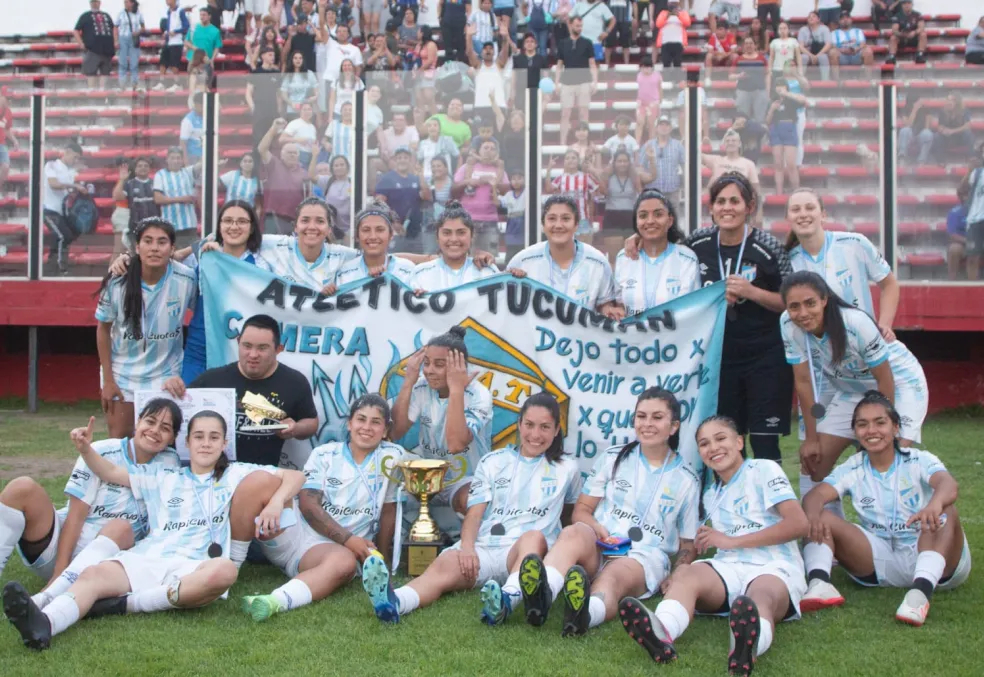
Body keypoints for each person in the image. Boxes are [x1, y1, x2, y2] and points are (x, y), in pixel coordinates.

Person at [2, 411, 304, 650]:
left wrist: (275, 502)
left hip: (196, 563)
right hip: (151, 555)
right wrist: (86, 449)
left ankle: (125, 604)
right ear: (187, 442)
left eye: (214, 437)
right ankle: (44, 625)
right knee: (92, 576)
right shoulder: (162, 475)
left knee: (224, 573)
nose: (206, 443)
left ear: (225, 444)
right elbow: (110, 471)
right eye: (198, 436)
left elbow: (295, 476)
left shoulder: (237, 472)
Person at [361, 392, 582, 625]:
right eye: (529, 425)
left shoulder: (567, 467)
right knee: (445, 565)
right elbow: (475, 513)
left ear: (557, 430)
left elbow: (569, 514)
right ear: (519, 425)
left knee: (534, 538)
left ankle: (506, 600)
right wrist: (467, 548)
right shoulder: (493, 461)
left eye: (545, 427)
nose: (535, 434)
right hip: (487, 546)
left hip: (526, 553)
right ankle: (395, 602)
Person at [617, 415, 809, 675]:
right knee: (688, 575)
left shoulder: (763, 469)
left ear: (739, 441)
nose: (713, 448)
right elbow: (697, 541)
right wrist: (680, 568)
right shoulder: (710, 494)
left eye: (721, 439)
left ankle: (746, 647)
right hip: (730, 566)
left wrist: (731, 541)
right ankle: (661, 632)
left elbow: (799, 524)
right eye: (704, 444)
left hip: (774, 564)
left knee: (760, 595)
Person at [522, 389, 698, 635]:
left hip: (642, 557)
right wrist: (596, 528)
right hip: (600, 543)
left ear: (674, 426)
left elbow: (688, 543)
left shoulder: (687, 479)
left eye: (657, 417)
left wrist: (678, 573)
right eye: (641, 416)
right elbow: (582, 510)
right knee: (573, 533)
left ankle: (584, 615)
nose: (647, 424)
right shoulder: (613, 457)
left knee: (612, 577)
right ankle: (543, 595)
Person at [800, 392, 971, 627]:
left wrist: (934, 504)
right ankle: (819, 584)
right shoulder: (853, 467)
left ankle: (919, 595)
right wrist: (811, 516)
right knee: (817, 512)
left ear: (896, 428)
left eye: (880, 422)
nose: (872, 431)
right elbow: (815, 496)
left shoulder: (918, 459)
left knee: (945, 511)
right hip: (879, 560)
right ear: (855, 433)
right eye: (863, 424)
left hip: (935, 558)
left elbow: (948, 484)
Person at [244, 394, 408, 621]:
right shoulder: (324, 454)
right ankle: (230, 565)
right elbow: (309, 505)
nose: (367, 428)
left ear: (386, 429)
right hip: (294, 535)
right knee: (263, 482)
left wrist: (384, 564)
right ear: (349, 423)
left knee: (344, 563)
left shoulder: (394, 457)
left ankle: (272, 601)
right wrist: (351, 539)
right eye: (361, 419)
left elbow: (389, 509)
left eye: (376, 422)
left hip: (331, 553)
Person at [0, 399, 181, 603]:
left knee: (120, 526)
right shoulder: (101, 449)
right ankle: (57, 583)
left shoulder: (170, 463)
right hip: (60, 548)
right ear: (137, 422)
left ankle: (56, 594)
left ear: (173, 437)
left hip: (107, 561)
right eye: (150, 421)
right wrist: (59, 571)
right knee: (22, 487)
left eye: (165, 428)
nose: (155, 430)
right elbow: (76, 515)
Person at [780, 272, 929, 499]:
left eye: (810, 303)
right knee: (814, 463)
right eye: (794, 306)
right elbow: (802, 382)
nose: (802, 313)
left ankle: (914, 524)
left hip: (897, 384)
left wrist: (879, 427)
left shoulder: (854, 322)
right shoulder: (787, 324)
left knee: (886, 457)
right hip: (851, 388)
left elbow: (885, 379)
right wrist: (811, 439)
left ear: (824, 299)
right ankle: (820, 531)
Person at [685, 173, 793, 464]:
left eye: (735, 201)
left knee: (765, 443)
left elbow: (792, 303)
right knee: (727, 441)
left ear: (750, 206)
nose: (727, 207)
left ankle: (773, 507)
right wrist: (635, 239)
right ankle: (733, 506)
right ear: (712, 208)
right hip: (718, 361)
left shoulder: (769, 248)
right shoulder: (696, 243)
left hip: (765, 359)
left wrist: (752, 292)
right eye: (720, 201)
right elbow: (668, 251)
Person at [95, 218, 196, 439]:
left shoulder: (186, 278)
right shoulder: (117, 280)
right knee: (121, 440)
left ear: (172, 248)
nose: (154, 248)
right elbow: (103, 330)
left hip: (166, 374)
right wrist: (109, 381)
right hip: (123, 375)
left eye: (162, 242)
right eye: (148, 241)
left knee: (163, 440)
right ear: (137, 247)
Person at [184, 315, 318, 467]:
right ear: (238, 343)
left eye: (262, 348)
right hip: (213, 473)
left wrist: (296, 428)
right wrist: (173, 389)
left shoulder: (295, 382)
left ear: (278, 349)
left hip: (262, 478)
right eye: (247, 346)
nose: (253, 354)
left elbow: (311, 422)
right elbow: (180, 411)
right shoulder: (210, 380)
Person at [391, 326, 494, 516]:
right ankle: (387, 544)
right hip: (426, 474)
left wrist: (456, 390)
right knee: (389, 462)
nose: (429, 371)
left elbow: (456, 444)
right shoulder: (422, 386)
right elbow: (395, 432)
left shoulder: (479, 394)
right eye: (427, 363)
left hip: (465, 479)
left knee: (471, 498)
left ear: (459, 367)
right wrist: (409, 380)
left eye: (439, 364)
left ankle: (468, 545)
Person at [785, 188, 899, 333]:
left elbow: (889, 284)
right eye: (796, 210)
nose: (803, 214)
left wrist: (885, 325)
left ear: (823, 215)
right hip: (821, 349)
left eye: (810, 208)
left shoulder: (855, 243)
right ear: (788, 219)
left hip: (865, 345)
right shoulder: (788, 260)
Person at [508, 195, 620, 317]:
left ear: (576, 224)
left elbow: (605, 305)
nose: (558, 225)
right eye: (552, 219)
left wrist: (608, 310)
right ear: (543, 225)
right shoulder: (523, 261)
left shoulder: (598, 263)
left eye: (566, 219)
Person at [615, 190, 700, 316]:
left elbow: (696, 309)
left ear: (670, 221)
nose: (650, 221)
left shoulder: (687, 259)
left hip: (676, 335)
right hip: (633, 335)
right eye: (643, 216)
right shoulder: (624, 257)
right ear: (636, 222)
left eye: (658, 215)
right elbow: (618, 305)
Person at [410, 202, 503, 292]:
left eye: (461, 232)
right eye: (446, 233)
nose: (454, 239)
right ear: (437, 237)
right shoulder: (420, 274)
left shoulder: (489, 273)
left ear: (472, 235)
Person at [329, 203, 416, 290]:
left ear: (391, 234)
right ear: (357, 236)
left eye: (380, 230)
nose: (373, 236)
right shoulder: (345, 272)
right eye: (366, 230)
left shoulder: (407, 269)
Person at [453, 140, 507, 255]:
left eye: (493, 149)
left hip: (490, 221)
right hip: (467, 221)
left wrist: (493, 183)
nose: (489, 151)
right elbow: (454, 189)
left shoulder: (499, 169)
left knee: (489, 259)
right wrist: (470, 181)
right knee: (465, 258)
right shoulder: (467, 167)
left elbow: (505, 191)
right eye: (486, 148)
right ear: (479, 151)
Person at [258, 119, 309, 235]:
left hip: (294, 221)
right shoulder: (274, 164)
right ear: (282, 155)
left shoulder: (304, 174)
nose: (292, 155)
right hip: (273, 217)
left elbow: (307, 198)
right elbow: (262, 149)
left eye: (295, 153)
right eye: (289, 152)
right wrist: (273, 129)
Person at [375, 148, 431, 253]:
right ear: (395, 160)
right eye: (399, 158)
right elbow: (379, 203)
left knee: (416, 263)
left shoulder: (416, 178)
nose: (402, 160)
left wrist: (421, 175)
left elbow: (427, 196)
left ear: (410, 160)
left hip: (415, 231)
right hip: (394, 231)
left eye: (405, 158)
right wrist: (393, 222)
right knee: (393, 261)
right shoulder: (387, 178)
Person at [555, 16, 597, 152]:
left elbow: (592, 63)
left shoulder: (587, 42)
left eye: (581, 26)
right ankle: (562, 143)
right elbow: (559, 65)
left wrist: (595, 81)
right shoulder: (562, 43)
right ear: (571, 25)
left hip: (584, 81)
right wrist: (557, 82)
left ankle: (585, 142)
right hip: (567, 82)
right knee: (565, 113)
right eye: (577, 25)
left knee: (584, 113)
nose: (579, 28)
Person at [43, 142, 85, 275]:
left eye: (78, 158)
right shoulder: (51, 165)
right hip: (49, 209)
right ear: (67, 151)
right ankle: (61, 268)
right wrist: (74, 186)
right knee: (63, 236)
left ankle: (52, 266)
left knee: (66, 236)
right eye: (75, 157)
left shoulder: (70, 172)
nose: (75, 160)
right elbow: (53, 184)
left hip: (61, 211)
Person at [544, 150, 600, 242]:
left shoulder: (586, 177)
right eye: (567, 158)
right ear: (564, 162)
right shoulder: (561, 178)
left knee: (583, 250)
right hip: (565, 219)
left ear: (578, 161)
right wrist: (549, 170)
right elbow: (548, 189)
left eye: (573, 158)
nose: (570, 160)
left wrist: (591, 218)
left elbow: (596, 194)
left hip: (582, 218)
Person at [702, 130, 762, 213]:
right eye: (727, 141)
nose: (730, 143)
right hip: (718, 205)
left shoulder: (748, 164)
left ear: (739, 144)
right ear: (724, 144)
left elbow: (756, 191)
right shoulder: (716, 160)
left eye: (733, 141)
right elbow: (696, 155)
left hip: (738, 206)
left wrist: (757, 212)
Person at [766, 77, 807, 196]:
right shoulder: (772, 101)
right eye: (777, 85)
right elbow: (767, 121)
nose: (779, 87)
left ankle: (796, 191)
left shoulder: (791, 99)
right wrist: (772, 109)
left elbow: (803, 100)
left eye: (782, 85)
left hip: (789, 128)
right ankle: (779, 191)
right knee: (778, 164)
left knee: (790, 164)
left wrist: (787, 93)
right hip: (775, 130)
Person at [152, 147, 199, 247]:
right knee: (175, 256)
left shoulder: (188, 172)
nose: (176, 161)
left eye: (178, 158)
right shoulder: (160, 175)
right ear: (167, 160)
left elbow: (202, 165)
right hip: (170, 225)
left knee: (192, 257)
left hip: (190, 225)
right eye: (173, 158)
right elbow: (158, 199)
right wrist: (182, 199)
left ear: (182, 160)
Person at [111, 157, 159, 255]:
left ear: (150, 169)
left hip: (153, 226)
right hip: (135, 226)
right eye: (140, 166)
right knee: (136, 255)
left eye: (146, 166)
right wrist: (121, 180)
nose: (143, 168)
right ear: (135, 169)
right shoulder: (129, 184)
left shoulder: (156, 183)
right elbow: (117, 197)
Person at [598, 149, 643, 253]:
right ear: (614, 163)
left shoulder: (634, 177)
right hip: (612, 216)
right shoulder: (609, 177)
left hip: (630, 216)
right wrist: (604, 175)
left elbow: (641, 193)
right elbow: (603, 192)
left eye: (625, 161)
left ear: (629, 163)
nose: (622, 164)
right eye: (619, 161)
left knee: (632, 255)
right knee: (614, 256)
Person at [637, 116, 685, 209]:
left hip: (672, 191)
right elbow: (640, 167)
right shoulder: (648, 145)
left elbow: (685, 166)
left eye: (667, 125)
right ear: (656, 128)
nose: (664, 127)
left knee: (673, 220)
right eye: (661, 124)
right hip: (652, 192)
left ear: (671, 128)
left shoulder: (678, 145)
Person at [75, 0, 117, 90]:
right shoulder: (85, 16)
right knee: (91, 72)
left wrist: (115, 41)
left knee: (105, 72)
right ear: (90, 3)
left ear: (99, 3)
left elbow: (113, 28)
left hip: (107, 49)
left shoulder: (106, 15)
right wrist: (81, 43)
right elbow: (75, 30)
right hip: (92, 49)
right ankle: (92, 93)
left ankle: (103, 92)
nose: (94, 3)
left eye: (96, 2)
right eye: (93, 2)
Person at [732, 36, 770, 125]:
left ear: (755, 45)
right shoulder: (738, 59)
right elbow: (730, 76)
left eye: (751, 43)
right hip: (743, 91)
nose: (749, 45)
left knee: (760, 119)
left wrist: (767, 91)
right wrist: (739, 76)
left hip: (760, 91)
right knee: (742, 119)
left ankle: (761, 138)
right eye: (746, 43)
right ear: (743, 46)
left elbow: (767, 74)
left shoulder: (762, 59)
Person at [958, 153, 984, 280]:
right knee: (972, 257)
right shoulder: (977, 173)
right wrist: (969, 171)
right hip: (975, 219)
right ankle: (972, 287)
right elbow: (961, 190)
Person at [157, 0, 190, 92]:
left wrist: (176, 31)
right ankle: (162, 82)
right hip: (168, 41)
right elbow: (169, 26)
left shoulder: (180, 11)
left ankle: (177, 84)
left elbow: (186, 26)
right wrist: (166, 33)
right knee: (163, 62)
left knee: (174, 64)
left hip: (177, 41)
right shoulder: (168, 11)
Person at [932, 94, 974, 163]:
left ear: (957, 102)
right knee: (937, 136)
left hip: (960, 137)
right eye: (948, 100)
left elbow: (968, 126)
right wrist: (943, 130)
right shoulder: (943, 111)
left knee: (968, 134)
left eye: (952, 100)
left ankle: (971, 158)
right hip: (948, 138)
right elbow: (940, 126)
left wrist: (953, 131)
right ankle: (940, 161)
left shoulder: (964, 110)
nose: (949, 102)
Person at [831, 11, 874, 76]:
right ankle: (836, 81)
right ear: (839, 21)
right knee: (832, 52)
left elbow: (863, 43)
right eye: (842, 18)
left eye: (847, 18)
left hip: (856, 54)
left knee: (868, 51)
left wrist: (856, 49)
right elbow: (833, 46)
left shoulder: (858, 31)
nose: (845, 20)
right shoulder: (834, 33)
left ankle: (868, 79)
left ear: (851, 20)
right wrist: (843, 50)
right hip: (842, 56)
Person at [115, 0, 145, 91]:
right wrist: (116, 40)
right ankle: (122, 84)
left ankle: (134, 84)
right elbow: (115, 26)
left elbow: (143, 27)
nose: (125, 4)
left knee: (134, 63)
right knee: (122, 62)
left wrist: (138, 32)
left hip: (133, 39)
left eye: (127, 2)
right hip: (123, 38)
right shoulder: (121, 13)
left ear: (132, 3)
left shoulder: (138, 13)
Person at [887, 0, 927, 65]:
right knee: (893, 37)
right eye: (904, 3)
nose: (907, 5)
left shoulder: (917, 14)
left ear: (912, 4)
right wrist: (902, 34)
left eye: (909, 3)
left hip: (914, 38)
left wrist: (914, 32)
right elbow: (894, 30)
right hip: (902, 38)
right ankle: (892, 57)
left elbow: (921, 27)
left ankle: (920, 55)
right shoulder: (897, 16)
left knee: (923, 34)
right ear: (902, 5)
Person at [280, 52, 319, 119]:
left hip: (307, 110)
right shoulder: (288, 75)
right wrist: (291, 103)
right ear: (292, 60)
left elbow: (316, 91)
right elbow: (283, 94)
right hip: (292, 110)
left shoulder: (310, 74)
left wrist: (314, 97)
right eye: (295, 58)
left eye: (300, 58)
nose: (298, 60)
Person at [798, 11, 836, 80]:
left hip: (820, 52)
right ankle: (801, 80)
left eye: (813, 16)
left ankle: (825, 80)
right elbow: (800, 47)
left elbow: (828, 45)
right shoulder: (803, 30)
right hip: (807, 53)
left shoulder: (824, 29)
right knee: (803, 57)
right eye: (809, 17)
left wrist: (817, 56)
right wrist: (811, 55)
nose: (811, 18)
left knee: (823, 57)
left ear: (818, 19)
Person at [281, 103, 319, 168]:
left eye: (309, 109)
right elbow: (281, 139)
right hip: (299, 155)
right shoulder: (294, 123)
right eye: (304, 109)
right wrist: (297, 140)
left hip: (311, 156)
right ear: (300, 111)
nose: (307, 112)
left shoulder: (313, 127)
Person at [654, 1, 690, 69]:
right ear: (668, 4)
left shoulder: (683, 13)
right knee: (666, 65)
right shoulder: (663, 13)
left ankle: (677, 79)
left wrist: (678, 15)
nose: (673, 5)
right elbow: (658, 24)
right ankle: (667, 79)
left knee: (677, 65)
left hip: (679, 43)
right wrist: (667, 16)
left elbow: (687, 23)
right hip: (665, 43)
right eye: (671, 3)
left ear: (678, 4)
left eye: (675, 3)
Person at [635, 56, 662, 144]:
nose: (646, 69)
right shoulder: (639, 76)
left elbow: (660, 89)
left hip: (653, 103)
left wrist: (659, 102)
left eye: (647, 67)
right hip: (641, 103)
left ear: (651, 67)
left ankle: (651, 144)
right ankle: (637, 143)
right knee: (639, 123)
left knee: (651, 125)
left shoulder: (657, 76)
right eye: (643, 67)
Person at [768, 21, 802, 86]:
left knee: (791, 89)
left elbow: (798, 56)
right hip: (777, 69)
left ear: (788, 30)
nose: (782, 30)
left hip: (790, 70)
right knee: (778, 90)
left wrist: (800, 70)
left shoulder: (793, 41)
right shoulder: (774, 42)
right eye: (780, 28)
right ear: (778, 31)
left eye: (784, 28)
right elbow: (771, 57)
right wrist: (770, 69)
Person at [180, 94, 204, 167]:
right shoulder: (188, 120)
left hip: (206, 155)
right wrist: (186, 162)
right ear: (196, 105)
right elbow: (183, 143)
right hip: (193, 157)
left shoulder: (209, 117)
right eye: (202, 105)